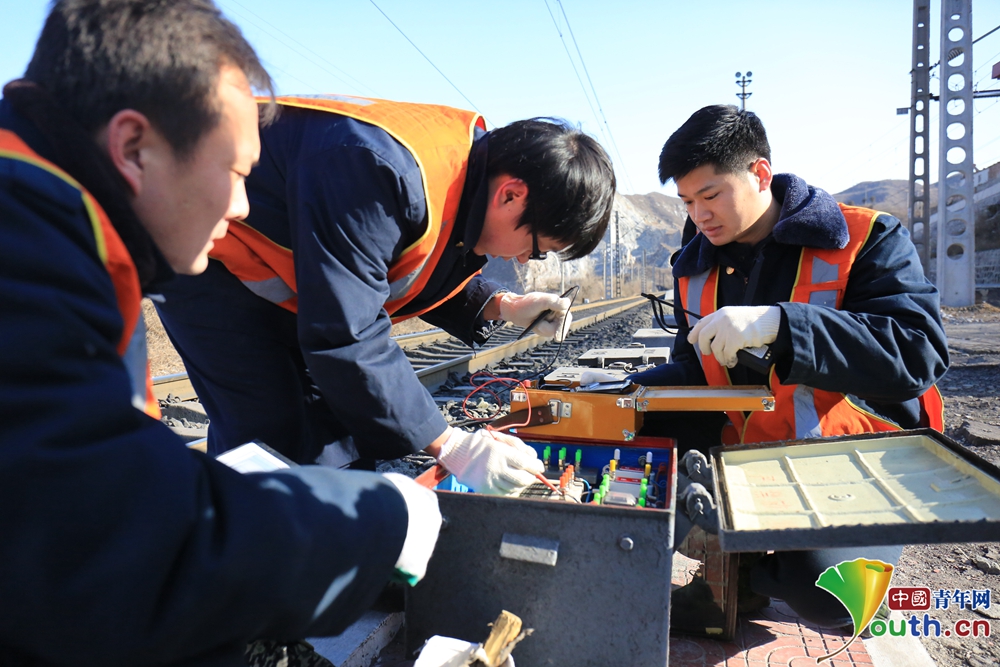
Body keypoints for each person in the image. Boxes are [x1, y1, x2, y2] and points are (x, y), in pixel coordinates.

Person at [0, 2, 441, 664]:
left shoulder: (61, 223)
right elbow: (117, 551)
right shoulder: (23, 241)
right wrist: (378, 522)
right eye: (236, 173)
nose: (240, 208)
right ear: (133, 147)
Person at [152, 95, 617, 494]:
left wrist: (504, 305)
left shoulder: (464, 176)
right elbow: (346, 333)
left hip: (280, 280)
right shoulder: (377, 172)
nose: (523, 261)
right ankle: (248, 570)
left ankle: (332, 551)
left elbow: (402, 261)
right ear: (512, 196)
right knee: (273, 430)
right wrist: (450, 444)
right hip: (211, 256)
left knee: (337, 428)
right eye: (537, 250)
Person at [630, 105, 948, 628]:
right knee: (627, 441)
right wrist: (622, 390)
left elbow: (918, 352)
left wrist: (785, 325)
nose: (699, 215)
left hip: (865, 460)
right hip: (755, 451)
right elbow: (692, 373)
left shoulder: (864, 238)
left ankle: (752, 566)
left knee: (830, 591)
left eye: (710, 196)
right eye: (687, 202)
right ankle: (729, 560)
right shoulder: (694, 262)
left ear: (759, 173)